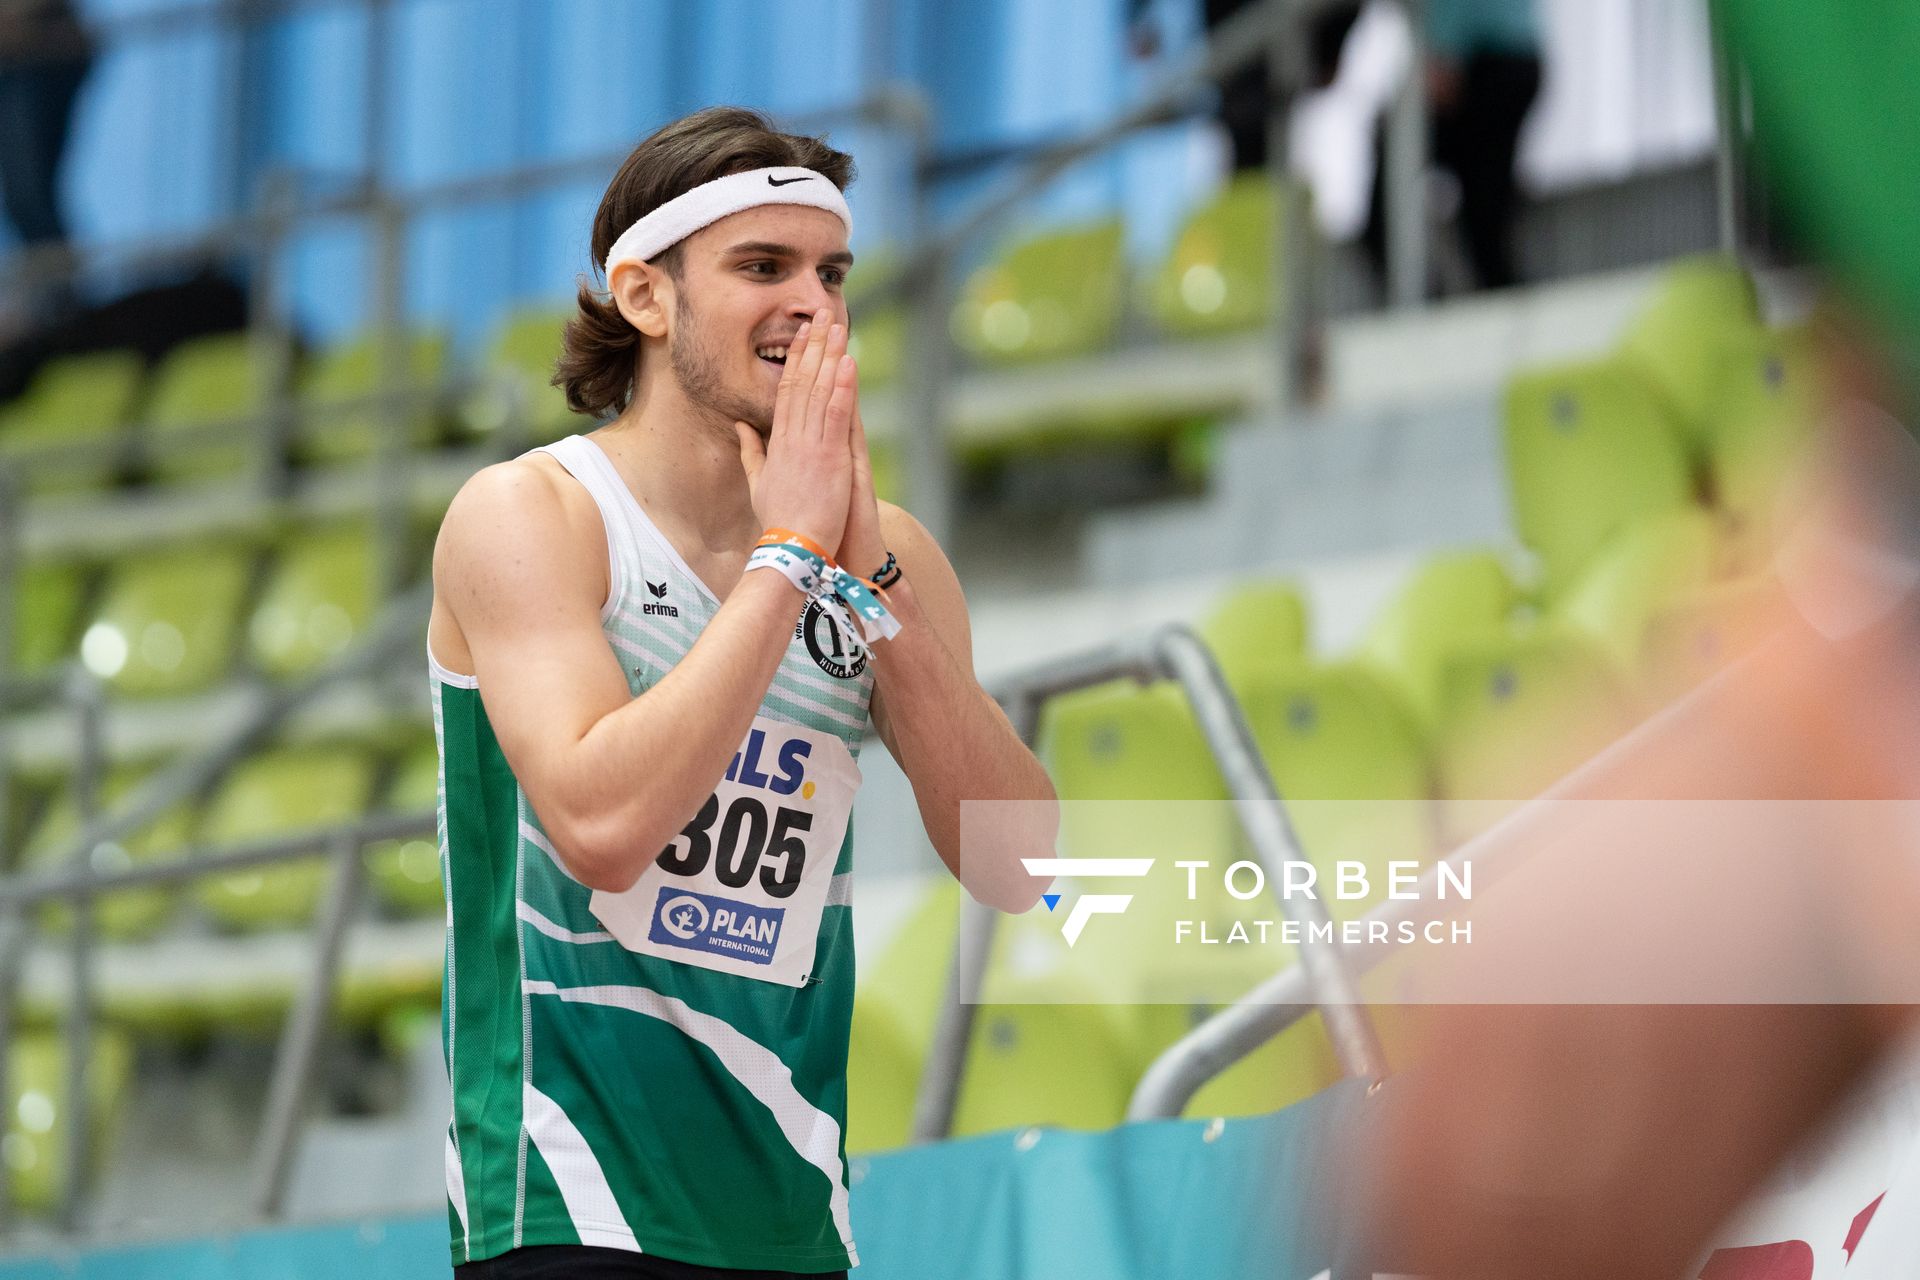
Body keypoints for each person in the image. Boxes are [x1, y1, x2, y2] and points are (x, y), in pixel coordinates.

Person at [426, 106, 1056, 1278]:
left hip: (792, 1217)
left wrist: (863, 574)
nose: (812, 303)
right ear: (645, 296)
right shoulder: (533, 514)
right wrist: (788, 558)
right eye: (761, 266)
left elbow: (1020, 864)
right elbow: (603, 826)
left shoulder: (885, 555)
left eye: (831, 272)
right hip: (568, 1203)